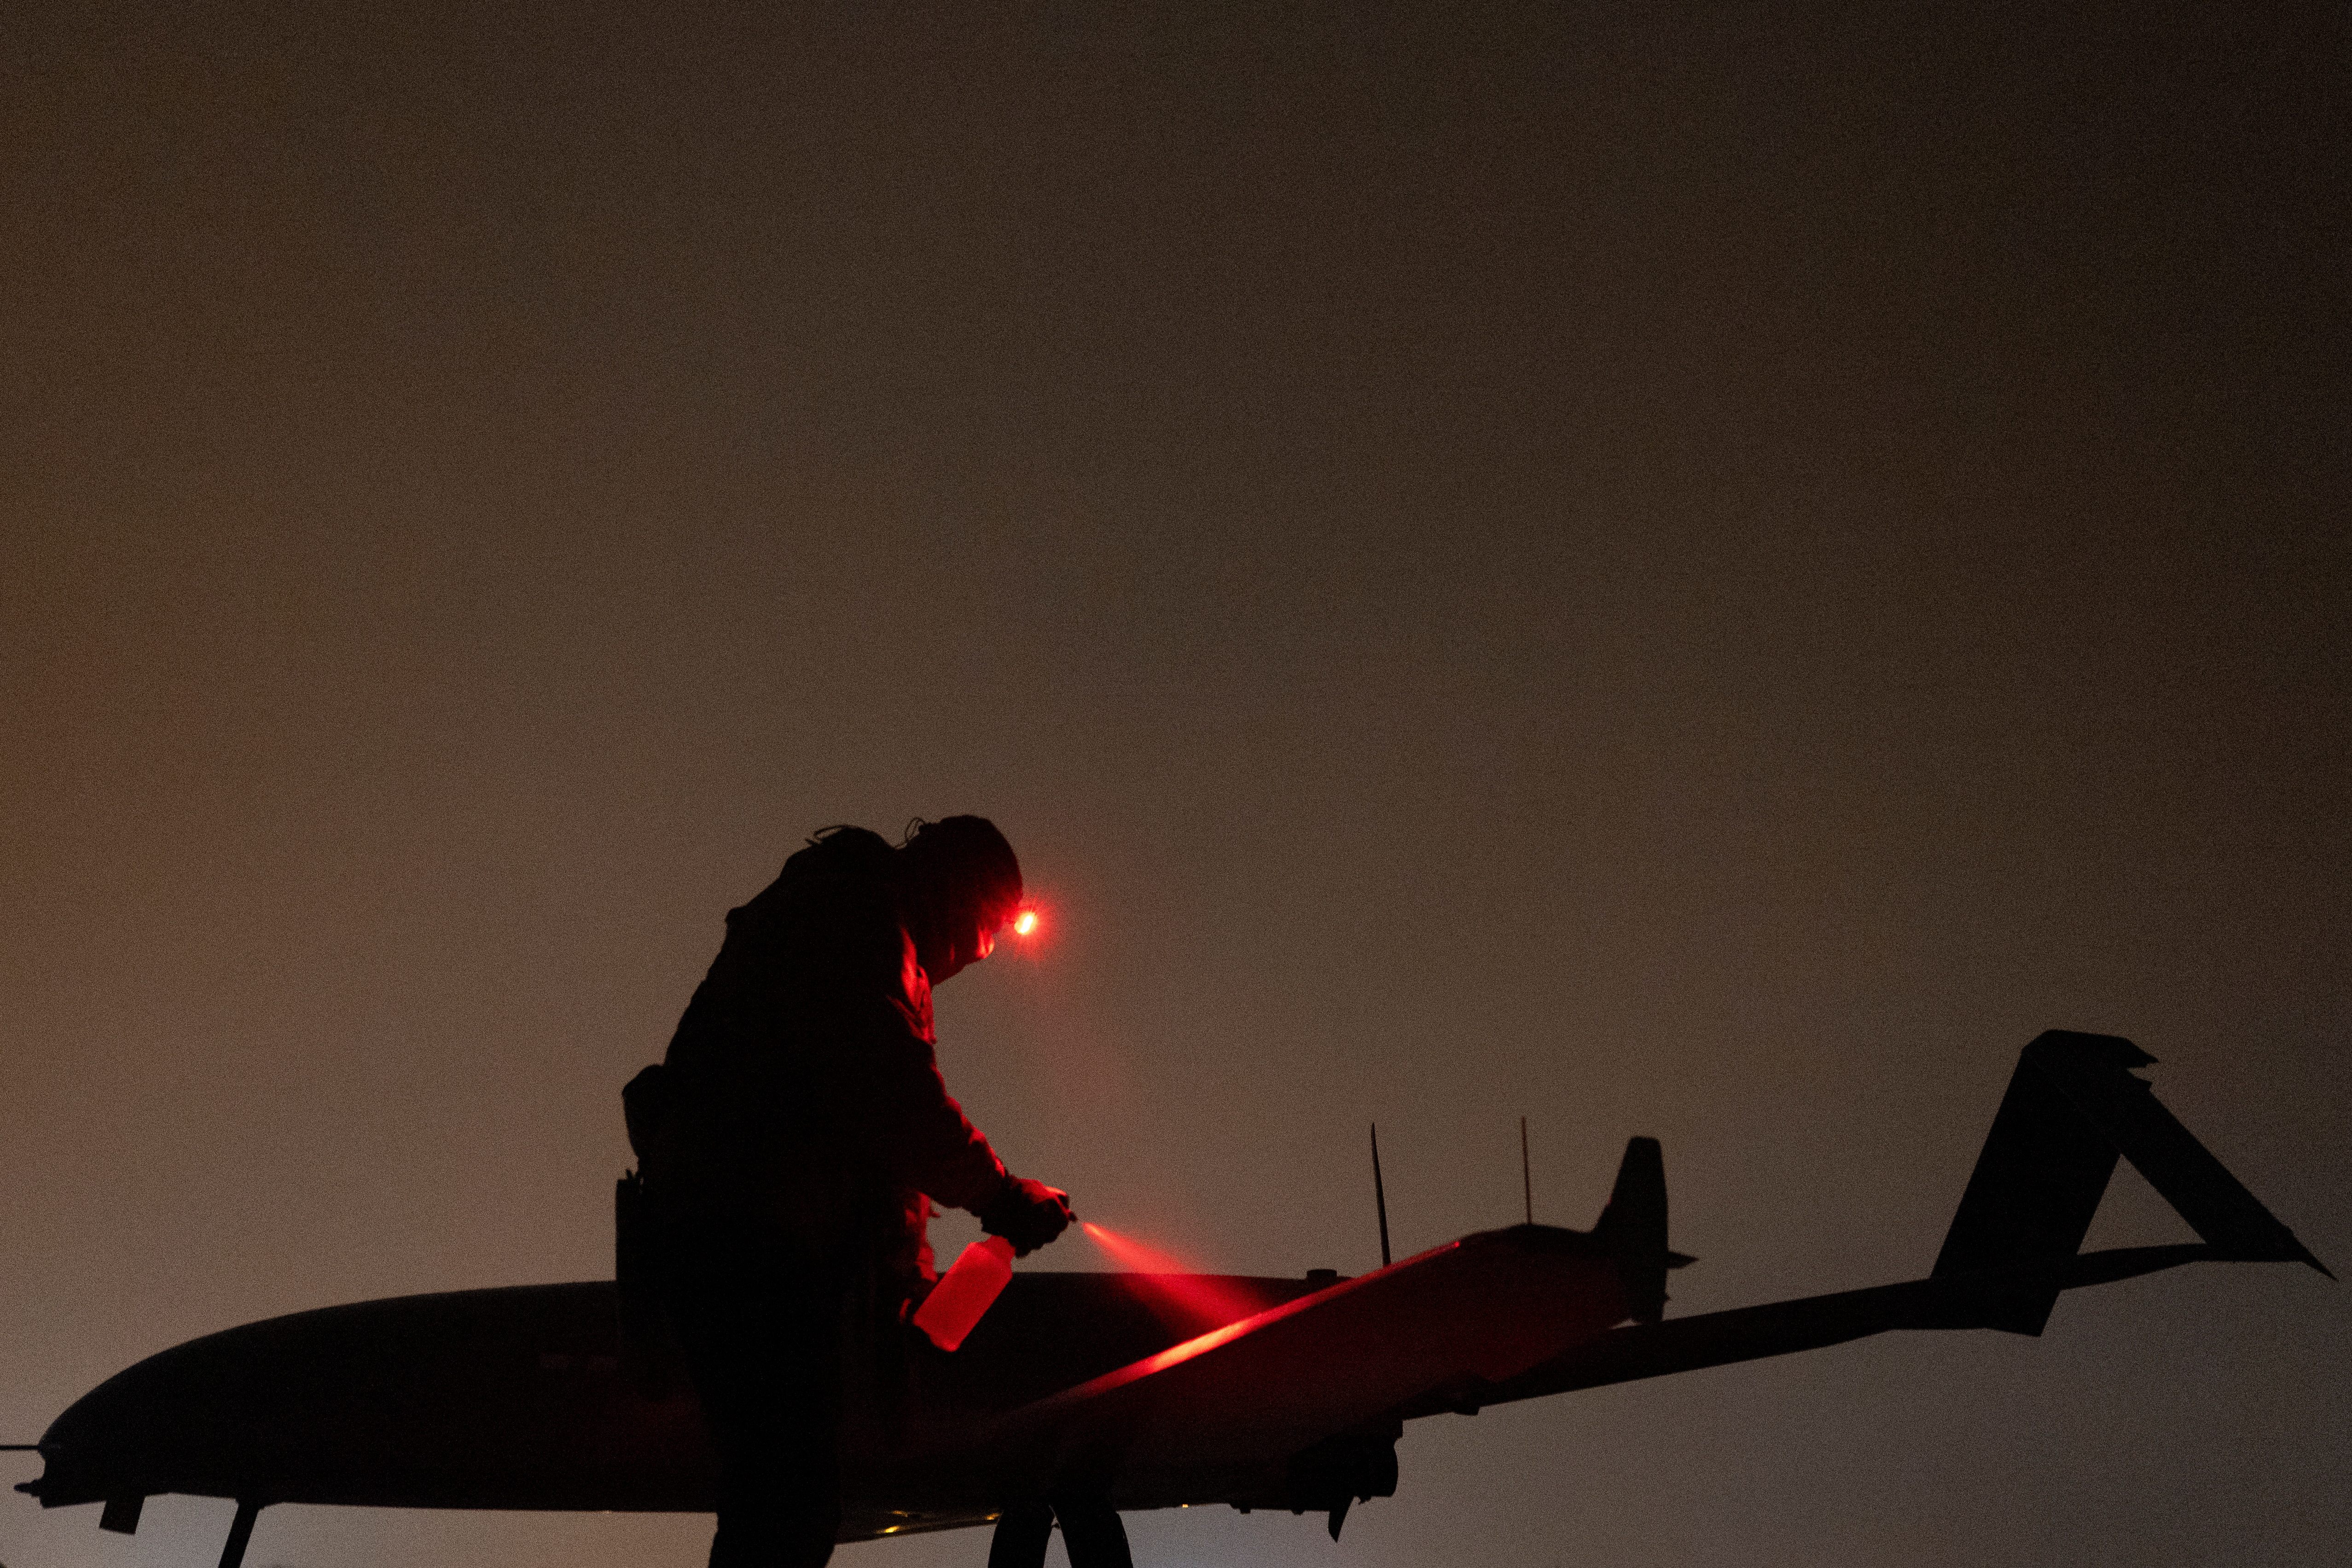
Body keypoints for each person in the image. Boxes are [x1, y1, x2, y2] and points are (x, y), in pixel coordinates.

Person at [626, 817, 1074, 1568]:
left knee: (780, 1493)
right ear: (958, 890)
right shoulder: (860, 922)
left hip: (729, 1222)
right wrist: (999, 1194)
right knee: (786, 1500)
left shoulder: (834, 915)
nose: (979, 953)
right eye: (986, 929)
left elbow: (863, 1119)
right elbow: (889, 1089)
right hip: (752, 1236)